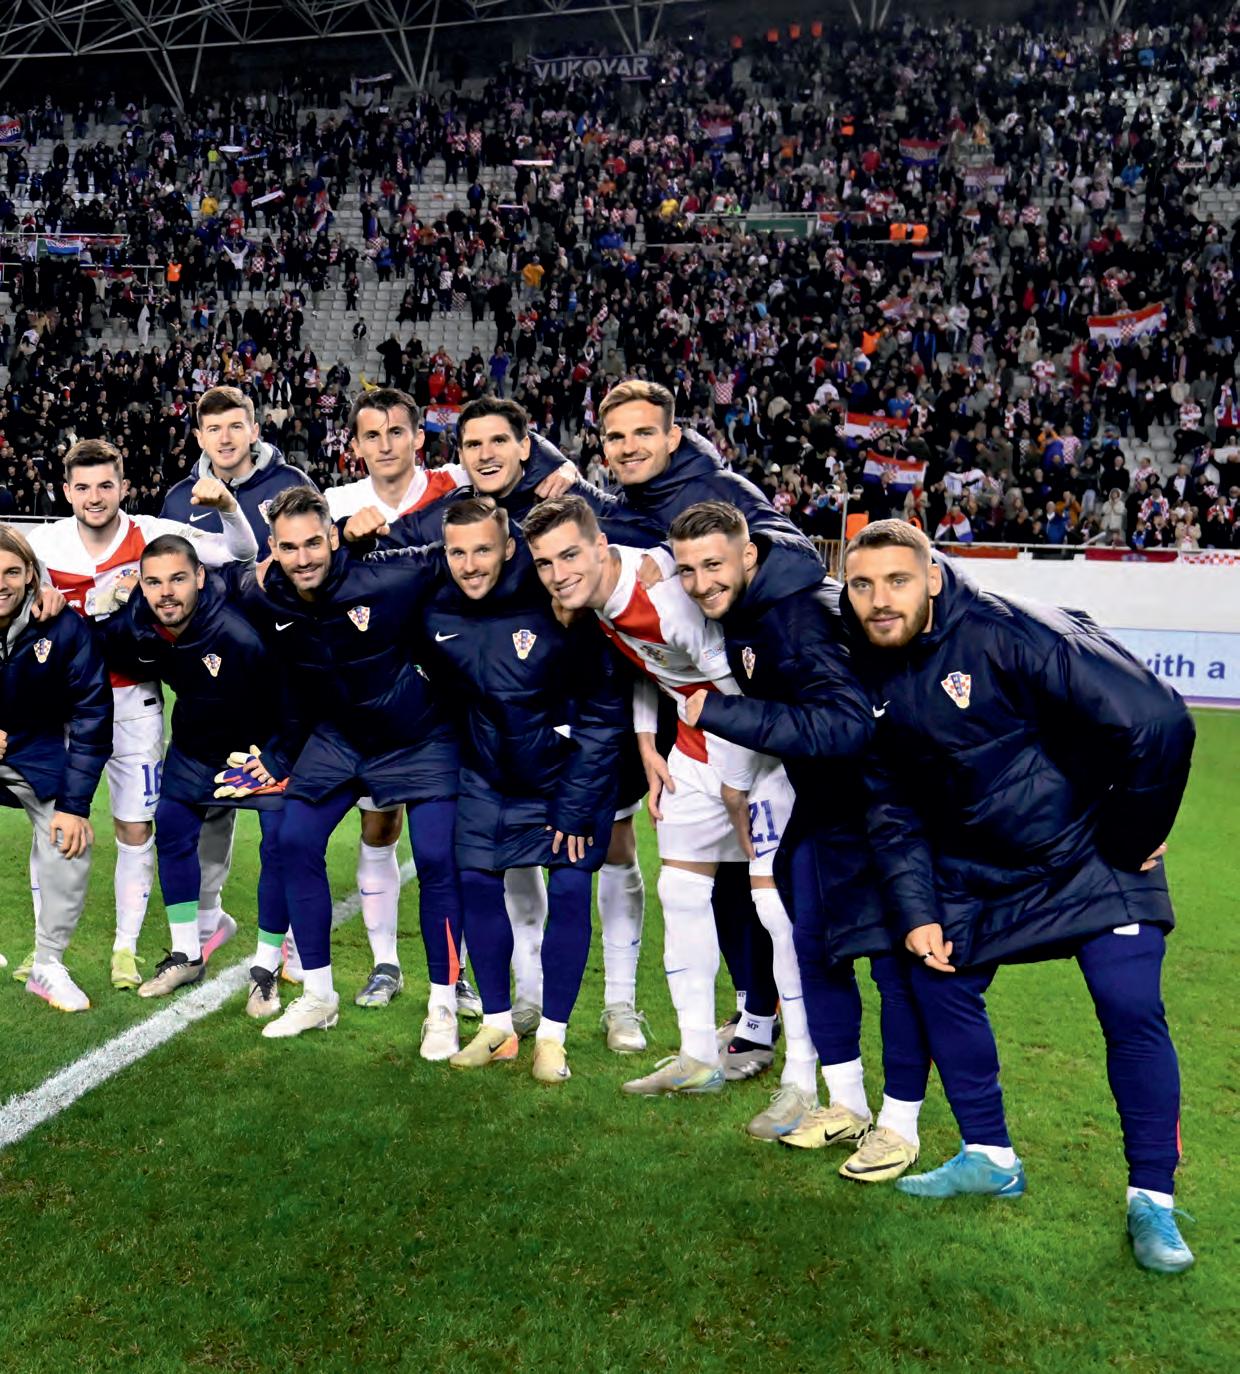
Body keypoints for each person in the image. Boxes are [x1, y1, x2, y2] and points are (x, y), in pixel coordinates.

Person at [842, 519, 1197, 1272]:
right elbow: (889, 803)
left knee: (1129, 1007)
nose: (879, 600)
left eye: (897, 580)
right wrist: (919, 910)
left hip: (1091, 852)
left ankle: (1153, 1201)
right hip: (979, 869)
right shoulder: (865, 664)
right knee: (936, 975)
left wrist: (1132, 835)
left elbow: (1158, 719)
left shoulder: (1013, 630)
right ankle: (990, 1156)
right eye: (862, 584)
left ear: (932, 576)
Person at [524, 496, 812, 1122]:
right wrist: (647, 744)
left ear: (601, 548)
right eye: (545, 563)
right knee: (679, 893)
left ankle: (804, 1079)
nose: (558, 574)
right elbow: (647, 665)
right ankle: (697, 1055)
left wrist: (735, 787)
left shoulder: (668, 599)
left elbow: (736, 688)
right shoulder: (606, 591)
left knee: (774, 909)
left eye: (570, 556)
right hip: (691, 746)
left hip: (757, 755)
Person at [669, 501, 931, 1168]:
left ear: (748, 556)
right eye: (687, 570)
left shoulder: (799, 617)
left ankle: (899, 1126)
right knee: (815, 949)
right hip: (825, 808)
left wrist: (725, 714)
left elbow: (848, 727)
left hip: (882, 812)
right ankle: (846, 1105)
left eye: (713, 565)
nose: (700, 583)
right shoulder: (753, 613)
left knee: (894, 967)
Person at [25, 439, 258, 991]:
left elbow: (241, 551)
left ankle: (124, 949)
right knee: (53, 825)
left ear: (124, 487)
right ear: (66, 492)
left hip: (135, 703)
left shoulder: (150, 534)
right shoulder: (42, 544)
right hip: (61, 709)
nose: (95, 497)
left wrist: (228, 506)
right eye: (83, 487)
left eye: (106, 485)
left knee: (135, 827)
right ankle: (43, 948)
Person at [412, 498, 625, 1079]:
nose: (470, 565)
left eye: (483, 550)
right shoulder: (435, 611)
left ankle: (553, 1037)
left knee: (571, 890)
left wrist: (576, 804)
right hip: (488, 778)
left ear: (509, 550)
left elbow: (604, 714)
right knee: (476, 886)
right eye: (457, 552)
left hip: (566, 780)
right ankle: (498, 1026)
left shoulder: (562, 604)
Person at [245, 486, 463, 1043]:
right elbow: (214, 582)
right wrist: (279, 753)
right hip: (339, 738)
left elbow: (463, 553)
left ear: (333, 537)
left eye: (313, 543)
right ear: (273, 549)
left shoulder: (388, 575)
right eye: (288, 548)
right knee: (293, 840)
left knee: (436, 856)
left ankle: (442, 1006)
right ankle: (319, 996)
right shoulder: (269, 592)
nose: (302, 558)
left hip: (417, 735)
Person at [97, 535, 293, 1017]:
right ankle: (187, 953)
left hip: (257, 753)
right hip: (194, 750)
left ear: (200, 578)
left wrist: (278, 758)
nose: (166, 592)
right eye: (153, 582)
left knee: (280, 847)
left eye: (178, 579)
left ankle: (267, 968)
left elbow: (295, 696)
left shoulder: (238, 632)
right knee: (172, 827)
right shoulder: (141, 623)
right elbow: (98, 646)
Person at [0, 525, 111, 1012]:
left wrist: (75, 805)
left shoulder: (64, 627)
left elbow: (92, 714)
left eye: (11, 572)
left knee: (69, 838)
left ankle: (47, 964)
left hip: (36, 748)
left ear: (31, 576)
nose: (0, 583)